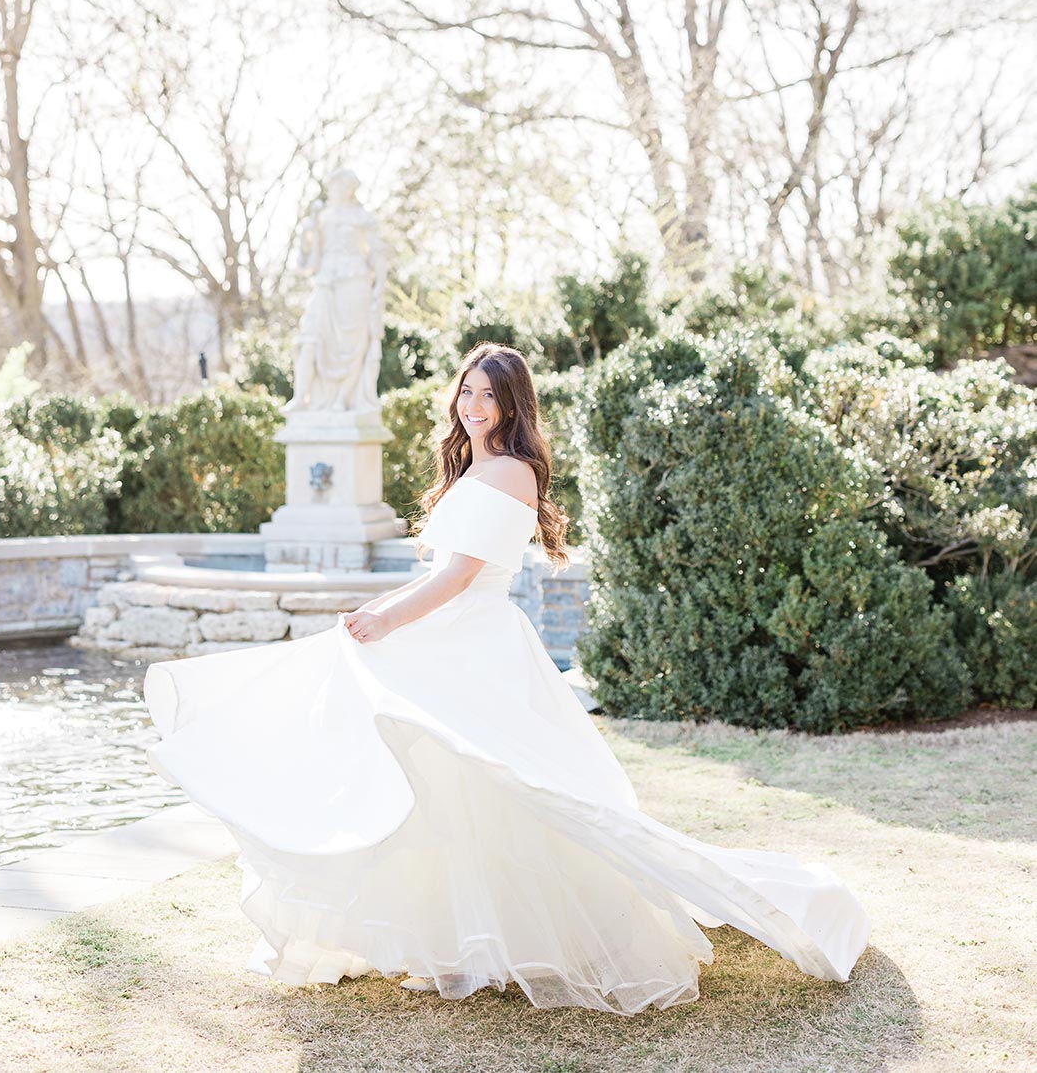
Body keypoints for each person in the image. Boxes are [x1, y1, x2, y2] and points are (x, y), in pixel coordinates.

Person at [143, 342, 869, 1014]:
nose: (473, 404)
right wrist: (381, 611)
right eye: (467, 390)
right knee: (435, 785)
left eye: (489, 395)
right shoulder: (470, 468)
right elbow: (441, 573)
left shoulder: (512, 471)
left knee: (503, 783)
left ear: (513, 404)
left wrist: (388, 621)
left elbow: (459, 577)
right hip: (448, 637)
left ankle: (533, 937)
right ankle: (451, 939)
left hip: (473, 645)